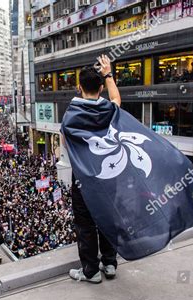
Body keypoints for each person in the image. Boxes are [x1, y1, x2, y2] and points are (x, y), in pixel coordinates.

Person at [65, 56, 119, 283]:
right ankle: (109, 263)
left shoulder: (70, 116)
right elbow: (116, 98)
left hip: (84, 180)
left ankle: (91, 271)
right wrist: (108, 74)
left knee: (85, 224)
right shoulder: (109, 109)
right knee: (108, 217)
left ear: (79, 88)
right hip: (109, 175)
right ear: (100, 88)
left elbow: (68, 146)